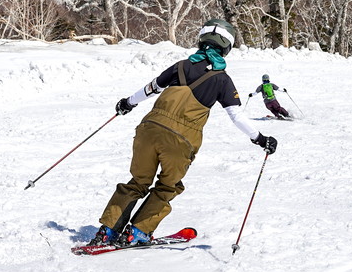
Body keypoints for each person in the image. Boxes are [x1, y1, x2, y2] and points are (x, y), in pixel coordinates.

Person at [89, 19, 278, 247]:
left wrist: (127, 103)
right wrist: (260, 138)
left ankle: (108, 230)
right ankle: (138, 231)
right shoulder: (222, 79)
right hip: (181, 141)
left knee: (138, 181)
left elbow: (150, 89)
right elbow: (236, 116)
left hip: (148, 130)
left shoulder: (181, 66)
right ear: (227, 47)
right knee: (167, 187)